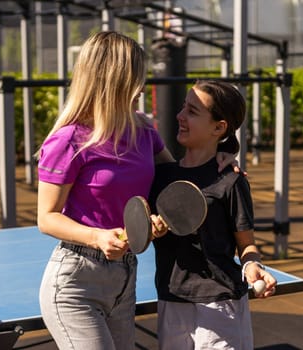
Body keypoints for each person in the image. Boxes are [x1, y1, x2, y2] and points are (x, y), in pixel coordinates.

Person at [36, 32, 237, 350]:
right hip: (76, 281)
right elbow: (46, 219)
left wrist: (221, 156)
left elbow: (177, 185)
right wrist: (97, 236)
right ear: (115, 80)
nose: (142, 86)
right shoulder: (69, 140)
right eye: (137, 77)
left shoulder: (144, 130)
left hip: (125, 275)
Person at [148, 80, 277, 350]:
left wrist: (253, 265)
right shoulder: (161, 176)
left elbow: (247, 245)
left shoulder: (231, 181)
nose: (180, 116)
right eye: (184, 107)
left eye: (193, 112)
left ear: (219, 127)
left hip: (221, 303)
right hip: (171, 298)